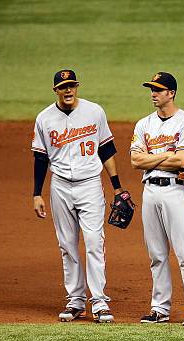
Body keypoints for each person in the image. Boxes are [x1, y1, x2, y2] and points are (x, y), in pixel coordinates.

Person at [32, 69, 129, 323]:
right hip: (60, 186)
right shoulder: (44, 118)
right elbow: (40, 157)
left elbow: (106, 149)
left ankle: (99, 301)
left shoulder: (94, 112)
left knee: (95, 242)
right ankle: (75, 300)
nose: (68, 90)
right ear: (55, 90)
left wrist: (117, 186)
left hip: (90, 185)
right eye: (63, 87)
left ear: (77, 87)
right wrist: (36, 193)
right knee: (67, 244)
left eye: (71, 85)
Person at [130, 71, 184, 326]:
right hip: (150, 192)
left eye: (158, 90)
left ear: (171, 93)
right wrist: (167, 156)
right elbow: (134, 160)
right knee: (157, 254)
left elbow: (183, 161)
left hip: (177, 191)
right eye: (152, 89)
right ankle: (159, 309)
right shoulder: (143, 124)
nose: (153, 94)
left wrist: (152, 158)